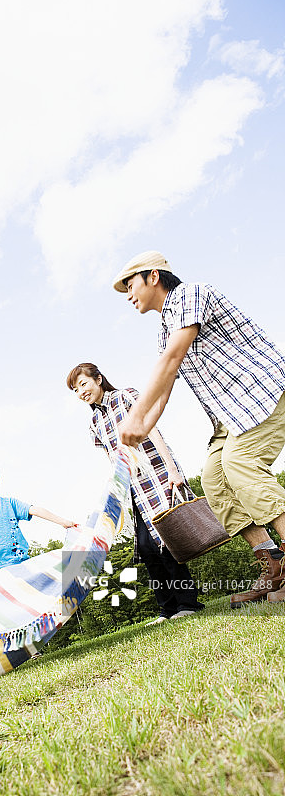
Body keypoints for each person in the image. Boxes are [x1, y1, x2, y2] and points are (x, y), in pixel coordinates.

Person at [112, 250, 285, 606]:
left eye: (130, 285)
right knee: (214, 480)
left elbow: (172, 358)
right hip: (229, 417)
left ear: (153, 276)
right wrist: (140, 430)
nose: (128, 295)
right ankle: (274, 565)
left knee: (240, 464)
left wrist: (135, 414)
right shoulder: (164, 330)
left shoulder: (191, 294)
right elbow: (165, 388)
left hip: (262, 394)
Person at [67, 362, 204, 623]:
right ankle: (167, 609)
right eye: (76, 390)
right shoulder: (94, 422)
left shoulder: (125, 396)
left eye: (83, 384)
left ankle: (188, 603)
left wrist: (172, 469)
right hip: (133, 486)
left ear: (98, 379)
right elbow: (112, 458)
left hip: (157, 473)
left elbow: (153, 430)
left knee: (166, 539)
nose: (81, 392)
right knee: (145, 546)